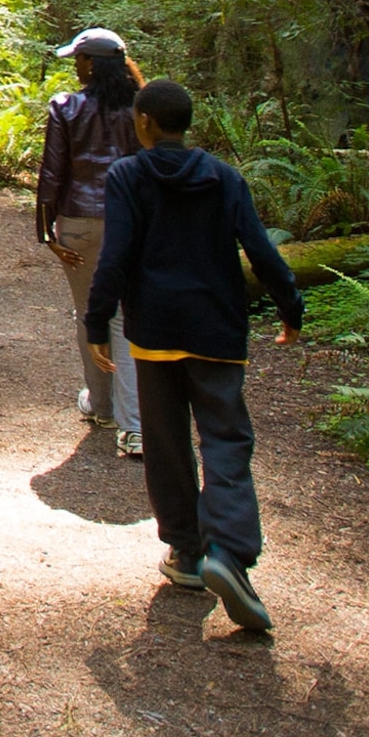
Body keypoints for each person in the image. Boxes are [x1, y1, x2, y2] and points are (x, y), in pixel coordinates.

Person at [86, 76, 304, 634]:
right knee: (226, 440)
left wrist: (96, 322)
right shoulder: (224, 178)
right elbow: (259, 247)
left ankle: (186, 554)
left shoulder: (128, 177)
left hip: (154, 331)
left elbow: (115, 256)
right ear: (186, 124)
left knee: (165, 442)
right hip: (217, 331)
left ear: (144, 123)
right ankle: (228, 553)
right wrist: (290, 307)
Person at [34, 28, 145, 457]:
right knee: (123, 317)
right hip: (129, 224)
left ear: (93, 64)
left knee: (89, 313)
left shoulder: (66, 107)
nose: (74, 67)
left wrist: (47, 233)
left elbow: (51, 174)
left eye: (78, 60)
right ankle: (132, 425)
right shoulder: (141, 108)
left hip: (78, 224)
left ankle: (102, 407)